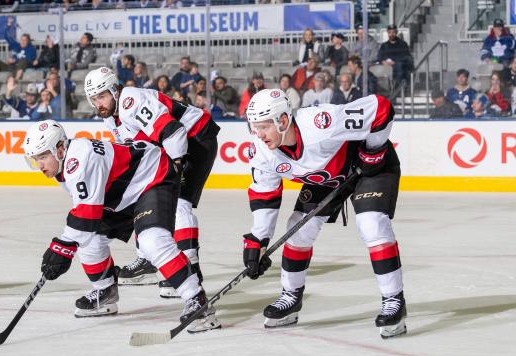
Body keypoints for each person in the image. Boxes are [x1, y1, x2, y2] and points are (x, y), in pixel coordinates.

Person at [23, 120, 220, 332]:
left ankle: (197, 300)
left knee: (151, 240)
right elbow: (85, 216)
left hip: (153, 177)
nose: (40, 164)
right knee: (89, 241)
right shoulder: (65, 164)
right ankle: (105, 292)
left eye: (43, 157)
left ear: (60, 148)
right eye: (35, 159)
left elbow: (85, 216)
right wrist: (66, 245)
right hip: (122, 191)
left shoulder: (79, 160)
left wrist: (61, 247)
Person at [243, 89, 406, 339]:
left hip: (369, 169)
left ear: (283, 120)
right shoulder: (261, 151)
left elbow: (381, 108)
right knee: (297, 229)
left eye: (264, 126)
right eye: (254, 126)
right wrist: (258, 240)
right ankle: (291, 297)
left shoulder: (320, 123)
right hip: (326, 179)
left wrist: (373, 150)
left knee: (371, 223)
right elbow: (265, 195)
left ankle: (394, 301)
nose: (258, 134)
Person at [84, 67, 220, 296]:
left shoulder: (131, 102)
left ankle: (190, 269)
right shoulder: (111, 117)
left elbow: (173, 132)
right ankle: (147, 261)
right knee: (143, 195)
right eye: (94, 98)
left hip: (194, 138)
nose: (99, 103)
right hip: (171, 144)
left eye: (102, 95)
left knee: (178, 204)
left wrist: (176, 166)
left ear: (115, 91)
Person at [377, 24, 414, 89]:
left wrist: (394, 62)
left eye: (393, 32)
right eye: (390, 32)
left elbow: (406, 57)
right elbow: (379, 57)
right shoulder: (384, 45)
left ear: (396, 32)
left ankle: (397, 89)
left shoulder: (402, 44)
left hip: (398, 66)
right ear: (387, 33)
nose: (391, 34)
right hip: (386, 66)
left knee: (399, 66)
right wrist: (383, 61)